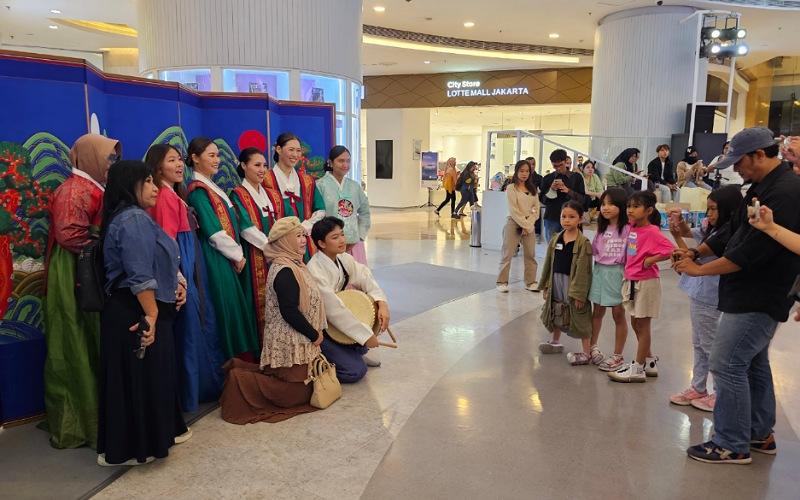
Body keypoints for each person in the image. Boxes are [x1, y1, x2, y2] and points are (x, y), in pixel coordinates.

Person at [675, 127, 800, 464]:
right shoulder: (763, 186)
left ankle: (731, 442)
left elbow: (753, 252)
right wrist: (698, 251)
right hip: (749, 292)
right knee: (753, 363)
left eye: (740, 162)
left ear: (759, 154)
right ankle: (759, 432)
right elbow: (736, 229)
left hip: (760, 295)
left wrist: (701, 269)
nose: (737, 169)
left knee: (726, 363)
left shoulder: (786, 192)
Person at [97, 160, 190, 466]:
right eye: (148, 182)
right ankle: (137, 447)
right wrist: (150, 316)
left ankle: (144, 441)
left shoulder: (132, 217)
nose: (154, 188)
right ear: (130, 185)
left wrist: (176, 282)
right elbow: (138, 275)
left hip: (138, 306)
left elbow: (157, 261)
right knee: (138, 381)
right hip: (135, 310)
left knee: (145, 379)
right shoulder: (134, 219)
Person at [42, 133, 121, 449]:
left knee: (93, 341)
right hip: (75, 271)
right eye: (108, 157)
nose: (111, 163)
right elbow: (69, 235)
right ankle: (80, 422)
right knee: (75, 342)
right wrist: (111, 247)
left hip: (91, 267)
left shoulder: (94, 187)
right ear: (90, 157)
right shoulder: (73, 190)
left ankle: (101, 414)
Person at [219, 217, 324, 424]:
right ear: (285, 241)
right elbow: (289, 312)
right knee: (297, 395)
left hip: (300, 339)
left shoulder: (294, 263)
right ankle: (240, 379)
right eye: (297, 236)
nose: (303, 240)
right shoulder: (285, 270)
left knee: (309, 388)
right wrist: (314, 335)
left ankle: (246, 370)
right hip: (292, 341)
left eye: (304, 235)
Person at [145, 144, 225, 413]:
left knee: (198, 326)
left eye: (179, 160)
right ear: (157, 167)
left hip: (191, 265)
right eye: (171, 160)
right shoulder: (166, 198)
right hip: (184, 269)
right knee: (191, 331)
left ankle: (199, 388)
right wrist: (179, 279)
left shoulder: (172, 194)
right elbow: (167, 242)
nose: (179, 165)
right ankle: (193, 392)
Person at [667, 186, 742, 412]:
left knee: (711, 346)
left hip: (712, 294)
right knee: (698, 343)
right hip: (699, 292)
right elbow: (693, 241)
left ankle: (720, 393)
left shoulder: (731, 235)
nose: (709, 214)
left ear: (728, 209)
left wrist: (685, 245)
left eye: (713, 209)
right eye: (707, 209)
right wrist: (678, 231)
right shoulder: (712, 228)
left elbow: (701, 253)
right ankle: (698, 386)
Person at [186, 137, 259, 361]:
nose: (217, 160)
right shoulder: (198, 191)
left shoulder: (212, 186)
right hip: (216, 258)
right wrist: (238, 255)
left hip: (225, 256)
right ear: (195, 159)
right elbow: (214, 231)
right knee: (225, 308)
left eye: (218, 155)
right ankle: (229, 366)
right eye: (211, 155)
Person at [307, 217, 389, 382]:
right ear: (321, 243)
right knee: (356, 372)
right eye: (335, 237)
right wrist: (365, 336)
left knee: (368, 312)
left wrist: (381, 303)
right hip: (320, 328)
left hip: (336, 323)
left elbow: (364, 276)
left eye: (342, 234)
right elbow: (334, 310)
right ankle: (319, 364)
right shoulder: (315, 269)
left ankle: (351, 354)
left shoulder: (343, 258)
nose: (342, 240)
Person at [608, 191, 674, 383]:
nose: (630, 210)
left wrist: (650, 260)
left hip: (646, 283)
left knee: (643, 325)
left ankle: (637, 368)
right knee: (637, 323)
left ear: (649, 210)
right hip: (632, 280)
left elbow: (671, 250)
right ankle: (649, 361)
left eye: (636, 206)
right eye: (629, 206)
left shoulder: (652, 231)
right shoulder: (631, 227)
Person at [537, 201, 593, 364]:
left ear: (580, 219)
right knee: (556, 309)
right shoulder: (556, 239)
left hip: (573, 283)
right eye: (564, 216)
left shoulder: (583, 243)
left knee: (580, 315)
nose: (567, 220)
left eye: (572, 217)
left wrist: (579, 294)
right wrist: (546, 285)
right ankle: (555, 341)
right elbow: (548, 263)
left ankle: (586, 352)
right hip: (556, 280)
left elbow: (584, 270)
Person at [229, 147, 274, 347]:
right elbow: (246, 228)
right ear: (243, 166)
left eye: (264, 165)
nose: (262, 169)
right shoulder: (238, 194)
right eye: (257, 165)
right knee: (257, 303)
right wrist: (273, 248)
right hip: (256, 255)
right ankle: (259, 349)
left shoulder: (270, 194)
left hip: (275, 255)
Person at [262, 132, 326, 260]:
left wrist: (305, 226)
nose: (295, 155)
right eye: (291, 150)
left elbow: (320, 209)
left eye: (298, 151)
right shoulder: (265, 179)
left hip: (305, 242)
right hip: (279, 244)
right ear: (278, 149)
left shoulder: (307, 181)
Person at [588, 188, 631, 372]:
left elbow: (633, 254)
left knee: (618, 314)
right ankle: (591, 348)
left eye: (611, 204)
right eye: (603, 204)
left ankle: (617, 355)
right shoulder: (601, 229)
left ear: (621, 206)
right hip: (599, 272)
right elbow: (594, 251)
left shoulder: (629, 229)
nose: (606, 208)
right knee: (596, 312)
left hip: (618, 273)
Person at [316, 146, 371, 264]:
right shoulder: (320, 185)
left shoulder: (355, 186)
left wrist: (360, 235)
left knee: (356, 278)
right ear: (330, 162)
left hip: (354, 244)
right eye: (341, 161)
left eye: (348, 161)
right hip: (330, 246)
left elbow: (365, 211)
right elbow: (317, 215)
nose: (345, 164)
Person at [496, 160, 540, 293]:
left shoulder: (533, 189)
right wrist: (525, 224)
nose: (524, 174)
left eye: (527, 171)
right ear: (516, 172)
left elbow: (536, 209)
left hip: (529, 224)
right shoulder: (511, 188)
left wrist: (529, 224)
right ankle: (502, 281)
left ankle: (530, 281)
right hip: (514, 223)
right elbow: (514, 210)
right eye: (521, 171)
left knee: (530, 254)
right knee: (507, 253)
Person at [540, 149, 587, 243]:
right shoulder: (547, 178)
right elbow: (542, 200)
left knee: (572, 248)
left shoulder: (576, 177)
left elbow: (583, 200)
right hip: (552, 218)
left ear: (566, 162)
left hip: (572, 218)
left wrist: (568, 191)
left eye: (560, 165)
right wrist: (551, 190)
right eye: (555, 166)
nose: (557, 168)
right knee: (553, 248)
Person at [525, 157, 544, 240]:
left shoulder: (539, 178)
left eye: (533, 164)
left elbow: (542, 191)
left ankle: (536, 233)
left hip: (534, 203)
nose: (531, 166)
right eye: (529, 164)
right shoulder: (522, 177)